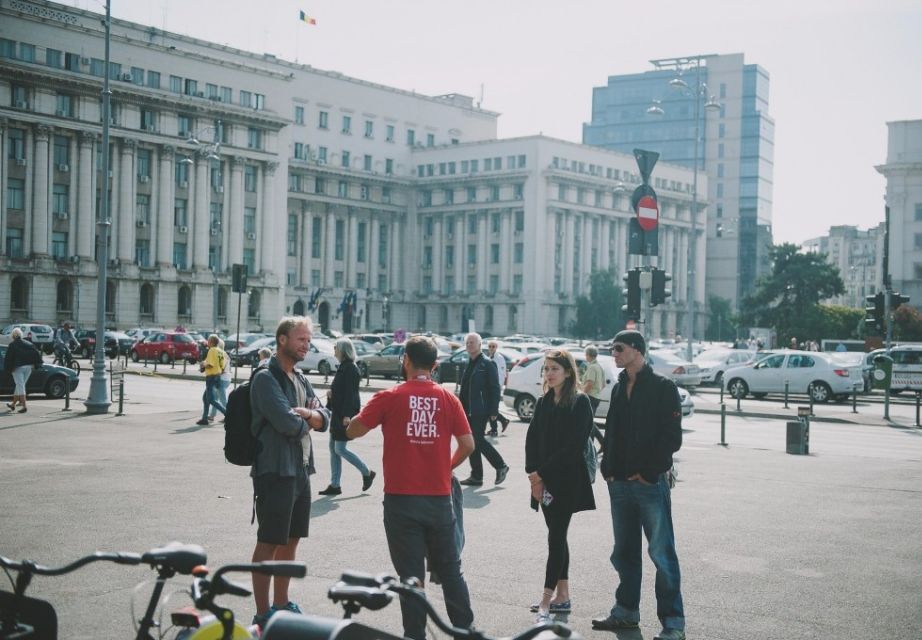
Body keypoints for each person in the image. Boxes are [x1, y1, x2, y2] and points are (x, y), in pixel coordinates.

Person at [346, 336, 475, 640]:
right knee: (451, 571)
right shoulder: (447, 398)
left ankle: (415, 635)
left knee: (411, 577)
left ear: (404, 360)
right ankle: (465, 633)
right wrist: (446, 467)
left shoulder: (389, 396)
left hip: (402, 501)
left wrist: (348, 418)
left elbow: (353, 431)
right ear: (435, 365)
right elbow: (468, 444)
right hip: (439, 499)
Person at [592, 330, 686, 640]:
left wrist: (648, 473)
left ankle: (673, 624)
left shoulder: (663, 387)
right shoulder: (619, 387)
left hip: (648, 485)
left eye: (618, 349)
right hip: (618, 485)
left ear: (637, 350)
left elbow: (671, 437)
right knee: (624, 553)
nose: (614, 354)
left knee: (662, 553)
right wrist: (608, 467)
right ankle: (626, 612)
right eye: (612, 348)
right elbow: (613, 429)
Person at [249, 316, 330, 629]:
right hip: (274, 470)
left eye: (308, 340)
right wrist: (309, 420)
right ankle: (261, 612)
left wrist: (310, 414)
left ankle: (281, 604)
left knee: (292, 540)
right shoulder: (265, 378)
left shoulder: (299, 376)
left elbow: (326, 415)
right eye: (301, 339)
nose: (306, 345)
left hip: (301, 469)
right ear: (282, 339)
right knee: (269, 541)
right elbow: (287, 424)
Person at [525, 349, 596, 623]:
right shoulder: (544, 402)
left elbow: (572, 448)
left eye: (555, 368)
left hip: (566, 481)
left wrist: (540, 474)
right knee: (557, 535)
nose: (550, 373)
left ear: (568, 372)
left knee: (555, 538)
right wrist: (532, 474)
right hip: (542, 480)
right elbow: (531, 439)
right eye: (546, 369)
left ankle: (546, 599)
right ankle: (563, 595)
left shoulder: (580, 403)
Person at [318, 337, 375, 496]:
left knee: (339, 448)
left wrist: (348, 415)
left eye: (336, 347)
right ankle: (335, 485)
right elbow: (342, 391)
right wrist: (331, 395)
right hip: (338, 413)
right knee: (333, 449)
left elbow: (351, 395)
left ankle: (367, 472)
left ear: (343, 350)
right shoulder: (344, 367)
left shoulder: (350, 368)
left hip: (343, 415)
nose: (334, 350)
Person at [458, 333, 509, 486]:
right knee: (471, 442)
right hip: (467, 409)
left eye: (473, 342)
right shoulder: (470, 363)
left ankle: (501, 466)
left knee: (477, 440)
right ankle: (477, 475)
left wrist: (494, 411)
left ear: (480, 345)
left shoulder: (487, 363)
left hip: (480, 409)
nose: (469, 345)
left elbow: (494, 388)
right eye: (467, 343)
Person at [4, 327, 42, 414]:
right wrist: (35, 364)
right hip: (29, 367)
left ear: (13, 336)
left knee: (20, 386)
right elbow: (36, 353)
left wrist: (9, 369)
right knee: (20, 385)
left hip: (18, 368)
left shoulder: (12, 345)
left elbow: (9, 358)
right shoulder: (28, 343)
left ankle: (24, 406)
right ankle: (13, 404)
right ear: (21, 335)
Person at [196, 335, 227, 426]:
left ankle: (228, 414)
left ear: (212, 342)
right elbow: (222, 366)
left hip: (211, 377)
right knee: (205, 398)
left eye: (208, 341)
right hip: (217, 376)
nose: (207, 342)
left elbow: (210, 365)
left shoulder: (212, 350)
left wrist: (203, 365)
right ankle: (204, 418)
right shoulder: (220, 351)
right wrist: (205, 363)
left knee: (211, 400)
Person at [580, 345, 606, 448]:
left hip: (590, 397)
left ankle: (591, 447)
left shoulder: (592, 367)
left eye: (586, 354)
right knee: (589, 421)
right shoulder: (599, 367)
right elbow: (603, 384)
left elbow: (589, 383)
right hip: (596, 397)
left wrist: (582, 394)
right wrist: (597, 391)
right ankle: (602, 442)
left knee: (587, 422)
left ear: (588, 355)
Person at [486, 340, 511, 436]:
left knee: (493, 408)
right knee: (490, 407)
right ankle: (502, 422)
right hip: (490, 386)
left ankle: (495, 428)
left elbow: (501, 374)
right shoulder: (489, 357)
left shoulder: (499, 358)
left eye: (493, 346)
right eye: (490, 346)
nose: (491, 348)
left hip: (495, 386)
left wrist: (498, 387)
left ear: (496, 347)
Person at [209, 338, 231, 423]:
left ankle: (229, 416)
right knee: (216, 398)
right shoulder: (223, 354)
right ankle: (212, 415)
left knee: (222, 400)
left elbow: (221, 369)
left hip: (222, 379)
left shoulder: (222, 355)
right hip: (224, 378)